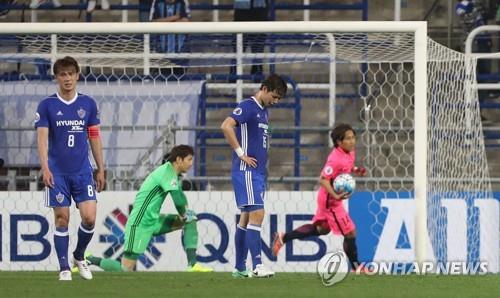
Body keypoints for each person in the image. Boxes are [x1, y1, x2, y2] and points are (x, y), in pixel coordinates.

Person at [84, 145, 213, 273]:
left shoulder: (172, 175)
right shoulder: (166, 171)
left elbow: (180, 197)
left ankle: (192, 264)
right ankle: (89, 259)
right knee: (125, 269)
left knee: (190, 220)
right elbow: (178, 199)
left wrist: (186, 214)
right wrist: (184, 213)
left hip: (154, 221)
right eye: (189, 159)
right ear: (179, 159)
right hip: (140, 223)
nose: (191, 164)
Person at [35, 56, 106, 281]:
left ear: (77, 75)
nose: (67, 79)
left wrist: (101, 168)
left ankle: (79, 255)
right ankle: (64, 267)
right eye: (62, 74)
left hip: (83, 172)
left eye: (70, 74)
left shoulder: (88, 104)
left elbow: (94, 136)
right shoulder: (47, 105)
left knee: (89, 219)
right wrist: (45, 168)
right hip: (57, 173)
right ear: (56, 77)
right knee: (62, 219)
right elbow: (42, 139)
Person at [272, 124, 368, 272]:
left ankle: (284, 237)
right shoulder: (335, 159)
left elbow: (347, 166)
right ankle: (357, 267)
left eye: (353, 137)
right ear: (338, 142)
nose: (352, 141)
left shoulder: (349, 152)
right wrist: (336, 195)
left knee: (321, 229)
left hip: (329, 199)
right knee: (350, 232)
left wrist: (356, 170)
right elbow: (323, 179)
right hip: (331, 202)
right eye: (348, 139)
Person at [220, 74, 287, 278]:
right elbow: (225, 125)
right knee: (258, 214)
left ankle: (240, 268)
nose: (275, 101)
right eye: (274, 96)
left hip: (257, 172)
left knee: (246, 217)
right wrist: (241, 154)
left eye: (278, 99)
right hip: (246, 171)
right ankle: (257, 265)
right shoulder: (248, 105)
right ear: (264, 88)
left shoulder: (263, 111)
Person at [230, 0, 270, 81]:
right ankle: (233, 82)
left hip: (259, 11)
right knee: (238, 52)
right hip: (242, 11)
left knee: (257, 53)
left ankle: (257, 82)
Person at [149, 0, 191, 76]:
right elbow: (153, 22)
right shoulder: (157, 2)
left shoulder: (183, 2)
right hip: (161, 52)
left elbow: (186, 21)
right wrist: (174, 17)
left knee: (180, 81)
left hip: (180, 52)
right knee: (162, 82)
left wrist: (164, 21)